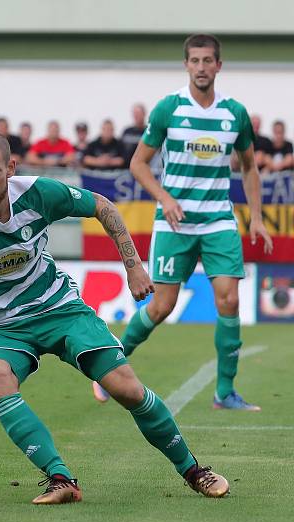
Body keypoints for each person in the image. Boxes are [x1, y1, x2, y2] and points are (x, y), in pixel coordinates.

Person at [0, 130, 229, 504]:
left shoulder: (38, 193)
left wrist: (134, 266)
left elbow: (103, 206)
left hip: (58, 308)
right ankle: (61, 478)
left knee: (126, 387)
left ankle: (193, 470)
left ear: (10, 168)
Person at [115, 34, 274, 410]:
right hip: (175, 223)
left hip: (218, 219)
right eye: (195, 61)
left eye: (208, 61)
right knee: (161, 307)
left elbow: (250, 167)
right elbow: (138, 164)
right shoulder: (169, 108)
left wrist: (256, 217)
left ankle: (224, 392)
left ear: (219, 65)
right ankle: (110, 365)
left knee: (230, 298)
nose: (201, 67)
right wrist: (165, 198)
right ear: (186, 65)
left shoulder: (234, 113)